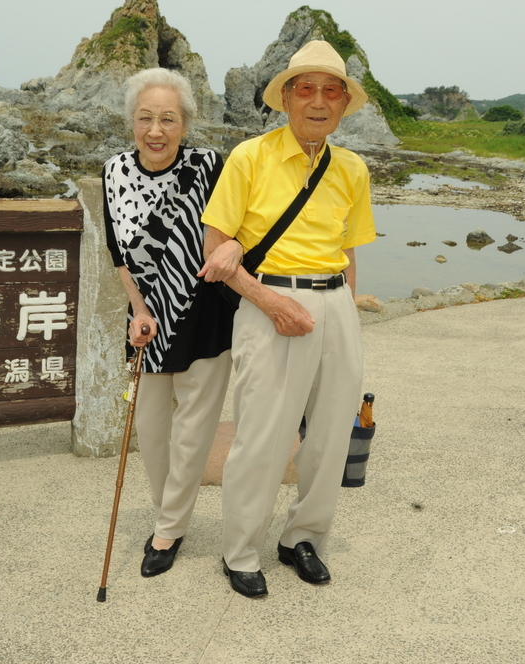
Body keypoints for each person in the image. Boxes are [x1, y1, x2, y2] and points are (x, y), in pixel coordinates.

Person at [199, 40, 377, 598]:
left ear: (344, 103)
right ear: (286, 98)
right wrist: (271, 303)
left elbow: (347, 250)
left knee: (329, 436)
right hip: (267, 301)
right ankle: (240, 550)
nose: (318, 101)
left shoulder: (352, 168)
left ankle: (303, 537)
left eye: (331, 91)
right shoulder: (249, 157)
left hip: (335, 305)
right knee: (262, 437)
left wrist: (347, 312)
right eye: (306, 89)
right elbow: (215, 249)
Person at [102, 68, 242, 578]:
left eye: (168, 119)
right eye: (145, 118)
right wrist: (138, 308)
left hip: (205, 314)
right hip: (147, 319)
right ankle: (171, 513)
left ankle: (167, 529)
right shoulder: (113, 171)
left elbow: (238, 228)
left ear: (185, 123)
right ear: (131, 122)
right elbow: (118, 251)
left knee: (193, 432)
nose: (155, 130)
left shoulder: (208, 166)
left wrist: (234, 247)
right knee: (151, 427)